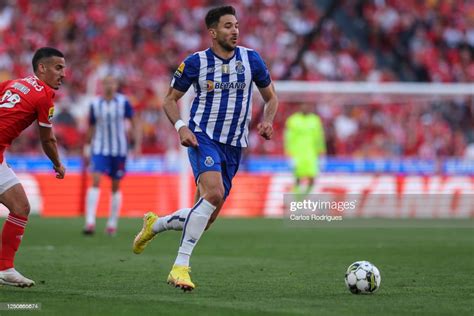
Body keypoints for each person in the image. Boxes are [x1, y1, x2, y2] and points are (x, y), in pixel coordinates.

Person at [132, 5, 278, 291]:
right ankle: (180, 267)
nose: (234, 30)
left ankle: (155, 225)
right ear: (212, 32)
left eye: (235, 25)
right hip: (202, 137)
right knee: (214, 193)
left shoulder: (252, 60)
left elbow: (271, 98)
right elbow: (169, 100)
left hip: (234, 145)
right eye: (227, 26)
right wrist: (181, 127)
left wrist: (268, 121)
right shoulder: (196, 63)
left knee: (205, 215)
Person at [0, 47, 66, 287]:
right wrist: (58, 164)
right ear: (42, 68)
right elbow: (47, 139)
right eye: (58, 68)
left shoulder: (14, 83)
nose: (63, 74)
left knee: (20, 207)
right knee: (20, 206)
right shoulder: (44, 95)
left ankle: (5, 268)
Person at [83, 75, 138, 236]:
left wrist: (136, 144)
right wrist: (87, 147)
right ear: (102, 85)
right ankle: (90, 222)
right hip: (100, 148)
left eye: (112, 83)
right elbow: (91, 126)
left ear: (116, 85)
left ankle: (112, 222)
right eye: (106, 83)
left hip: (119, 150)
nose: (109, 86)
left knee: (115, 185)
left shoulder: (123, 102)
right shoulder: (95, 104)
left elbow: (135, 122)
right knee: (95, 180)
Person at [284, 103, 326, 195]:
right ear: (300, 107)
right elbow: (288, 138)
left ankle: (306, 196)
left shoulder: (315, 120)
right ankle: (297, 199)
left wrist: (322, 152)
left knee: (312, 177)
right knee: (297, 178)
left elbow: (319, 138)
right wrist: (288, 153)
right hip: (297, 154)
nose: (305, 107)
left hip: (311, 154)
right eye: (303, 105)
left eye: (307, 105)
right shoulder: (293, 120)